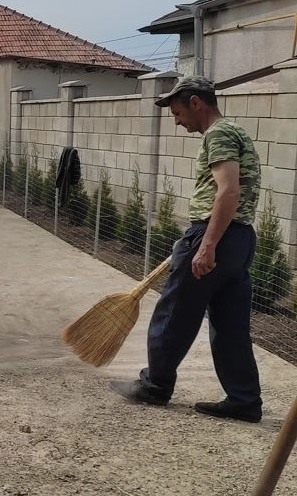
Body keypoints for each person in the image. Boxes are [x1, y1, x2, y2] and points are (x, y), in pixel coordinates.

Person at [111, 75, 263, 422]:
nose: (178, 121)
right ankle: (244, 399)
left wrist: (206, 243)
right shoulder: (236, 131)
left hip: (216, 233)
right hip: (239, 238)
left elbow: (228, 192)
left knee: (174, 311)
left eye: (178, 113)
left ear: (196, 103)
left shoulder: (219, 133)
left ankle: (155, 386)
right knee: (230, 323)